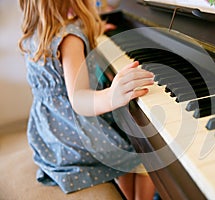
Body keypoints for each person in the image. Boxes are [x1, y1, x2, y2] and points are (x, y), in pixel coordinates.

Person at [18, 0, 156, 199]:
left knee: (126, 139)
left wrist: (95, 27)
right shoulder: (70, 38)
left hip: (50, 132)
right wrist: (112, 95)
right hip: (75, 134)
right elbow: (79, 99)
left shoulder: (36, 33)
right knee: (147, 155)